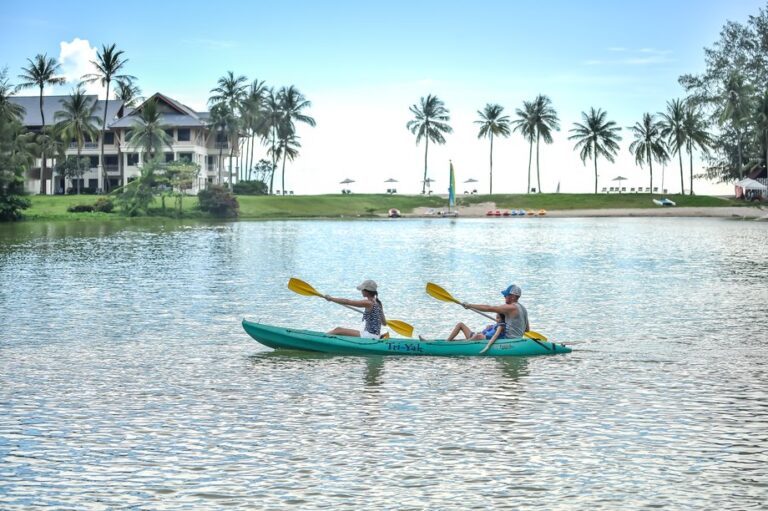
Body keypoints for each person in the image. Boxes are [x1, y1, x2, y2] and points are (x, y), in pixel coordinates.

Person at [422, 284, 530, 341]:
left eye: (506, 294)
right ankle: (446, 343)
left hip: (507, 340)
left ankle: (447, 345)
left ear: (512, 296)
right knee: (463, 326)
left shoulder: (511, 307)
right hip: (516, 339)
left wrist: (469, 305)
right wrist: (502, 324)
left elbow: (489, 308)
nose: (504, 296)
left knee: (477, 335)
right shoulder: (523, 309)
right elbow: (527, 329)